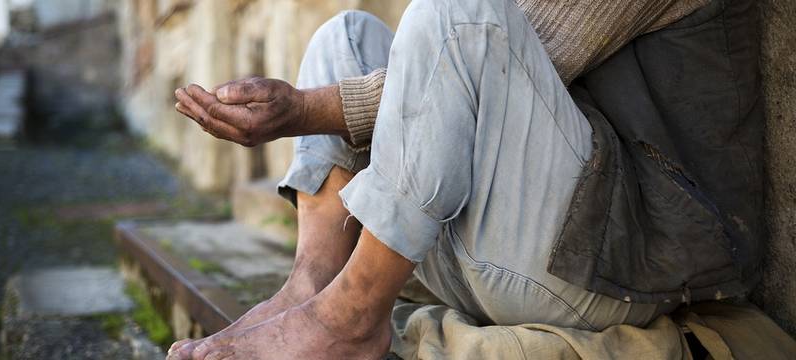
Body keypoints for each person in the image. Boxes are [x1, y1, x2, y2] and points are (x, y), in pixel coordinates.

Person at [168, 0, 764, 358]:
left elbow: (493, 39)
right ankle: (311, 288)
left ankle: (351, 317)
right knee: (345, 36)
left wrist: (300, 109)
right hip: (483, 260)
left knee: (455, 13)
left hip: (611, 275)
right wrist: (304, 108)